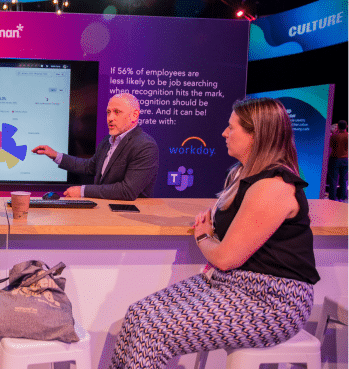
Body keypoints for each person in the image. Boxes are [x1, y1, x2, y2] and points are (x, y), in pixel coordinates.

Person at [110, 98, 319, 369]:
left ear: (256, 136)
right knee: (138, 314)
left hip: (272, 301)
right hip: (229, 284)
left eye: (231, 128)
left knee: (154, 329)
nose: (224, 133)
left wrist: (203, 237)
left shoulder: (273, 187)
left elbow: (224, 258)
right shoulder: (240, 174)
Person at [32, 93, 158, 200]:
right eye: (108, 112)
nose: (110, 118)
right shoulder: (107, 141)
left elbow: (127, 191)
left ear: (135, 115)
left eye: (117, 112)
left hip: (130, 219)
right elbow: (89, 167)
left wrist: (82, 191)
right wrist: (56, 155)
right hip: (104, 213)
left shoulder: (145, 146)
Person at [328, 120, 348, 201]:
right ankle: (342, 197)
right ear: (346, 126)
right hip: (345, 159)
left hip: (335, 159)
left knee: (333, 180)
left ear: (338, 127)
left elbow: (330, 145)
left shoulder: (334, 136)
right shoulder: (347, 135)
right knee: (343, 179)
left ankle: (332, 198)